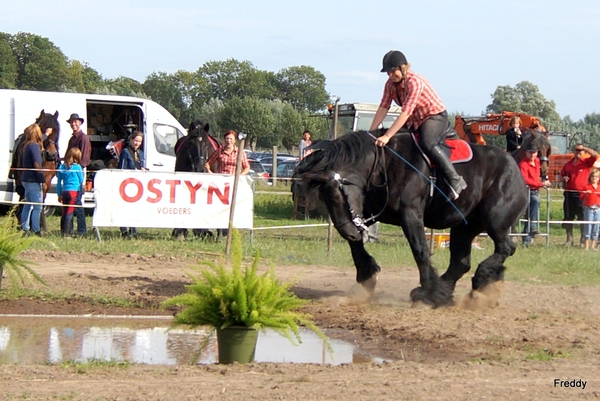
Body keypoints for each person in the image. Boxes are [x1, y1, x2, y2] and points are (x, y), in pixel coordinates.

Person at [370, 50, 467, 200]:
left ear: (403, 67)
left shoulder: (415, 82)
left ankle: (455, 179)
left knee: (427, 142)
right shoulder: (389, 84)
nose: (390, 75)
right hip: (414, 120)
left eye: (392, 70)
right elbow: (383, 107)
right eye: (387, 72)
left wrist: (388, 136)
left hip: (433, 116)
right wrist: (372, 132)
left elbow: (406, 112)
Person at [205, 130, 249, 237]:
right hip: (220, 184)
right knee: (219, 207)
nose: (229, 141)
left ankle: (229, 229)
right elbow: (207, 164)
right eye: (227, 139)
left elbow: (246, 167)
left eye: (231, 139)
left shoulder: (240, 152)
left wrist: (240, 176)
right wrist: (211, 173)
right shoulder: (219, 151)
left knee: (232, 206)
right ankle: (220, 230)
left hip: (233, 184)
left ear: (234, 141)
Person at [560, 144, 599, 246]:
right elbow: (560, 176)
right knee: (568, 216)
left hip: (581, 194)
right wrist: (563, 178)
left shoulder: (586, 163)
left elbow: (595, 155)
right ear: (573, 151)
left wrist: (585, 148)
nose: (579, 152)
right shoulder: (568, 164)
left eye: (581, 150)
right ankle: (569, 239)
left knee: (582, 217)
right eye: (577, 150)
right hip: (569, 193)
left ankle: (583, 239)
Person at [519, 144, 551, 247]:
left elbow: (536, 177)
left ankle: (527, 239)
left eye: (534, 152)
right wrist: (541, 184)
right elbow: (525, 179)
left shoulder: (537, 161)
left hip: (535, 190)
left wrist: (544, 180)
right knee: (535, 202)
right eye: (530, 152)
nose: (532, 155)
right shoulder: (523, 164)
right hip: (526, 191)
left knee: (531, 213)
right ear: (526, 153)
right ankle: (532, 226)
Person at [66, 113, 92, 236]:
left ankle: (82, 230)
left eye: (76, 122)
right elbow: (67, 155)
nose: (73, 124)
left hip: (78, 172)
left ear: (80, 123)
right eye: (72, 122)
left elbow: (85, 159)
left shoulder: (83, 138)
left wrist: (75, 169)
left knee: (77, 203)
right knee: (72, 203)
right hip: (70, 171)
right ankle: (69, 229)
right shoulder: (72, 139)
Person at [118, 131, 147, 239]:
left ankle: (133, 230)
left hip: (137, 184)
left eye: (139, 141)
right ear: (130, 140)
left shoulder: (141, 153)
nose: (137, 143)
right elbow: (122, 167)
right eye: (135, 140)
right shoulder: (125, 152)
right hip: (127, 183)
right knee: (124, 207)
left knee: (134, 208)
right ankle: (124, 230)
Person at [19, 123, 46, 236]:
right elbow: (36, 164)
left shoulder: (26, 146)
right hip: (33, 180)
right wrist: (42, 180)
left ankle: (24, 228)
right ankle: (36, 230)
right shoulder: (34, 146)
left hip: (25, 179)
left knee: (27, 206)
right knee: (37, 207)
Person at [57, 148, 84, 237]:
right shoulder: (77, 167)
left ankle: (62, 229)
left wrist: (59, 194)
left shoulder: (61, 167)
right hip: (73, 191)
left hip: (65, 191)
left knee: (64, 211)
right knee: (70, 212)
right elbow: (81, 180)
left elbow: (59, 182)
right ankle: (67, 233)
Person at [580, 169, 600, 250]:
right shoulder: (586, 186)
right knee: (588, 226)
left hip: (598, 209)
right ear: (590, 177)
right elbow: (581, 197)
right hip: (589, 209)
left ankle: (593, 246)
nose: (594, 178)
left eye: (596, 176)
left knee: (596, 227)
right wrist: (586, 194)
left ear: (598, 178)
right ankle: (586, 246)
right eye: (593, 176)